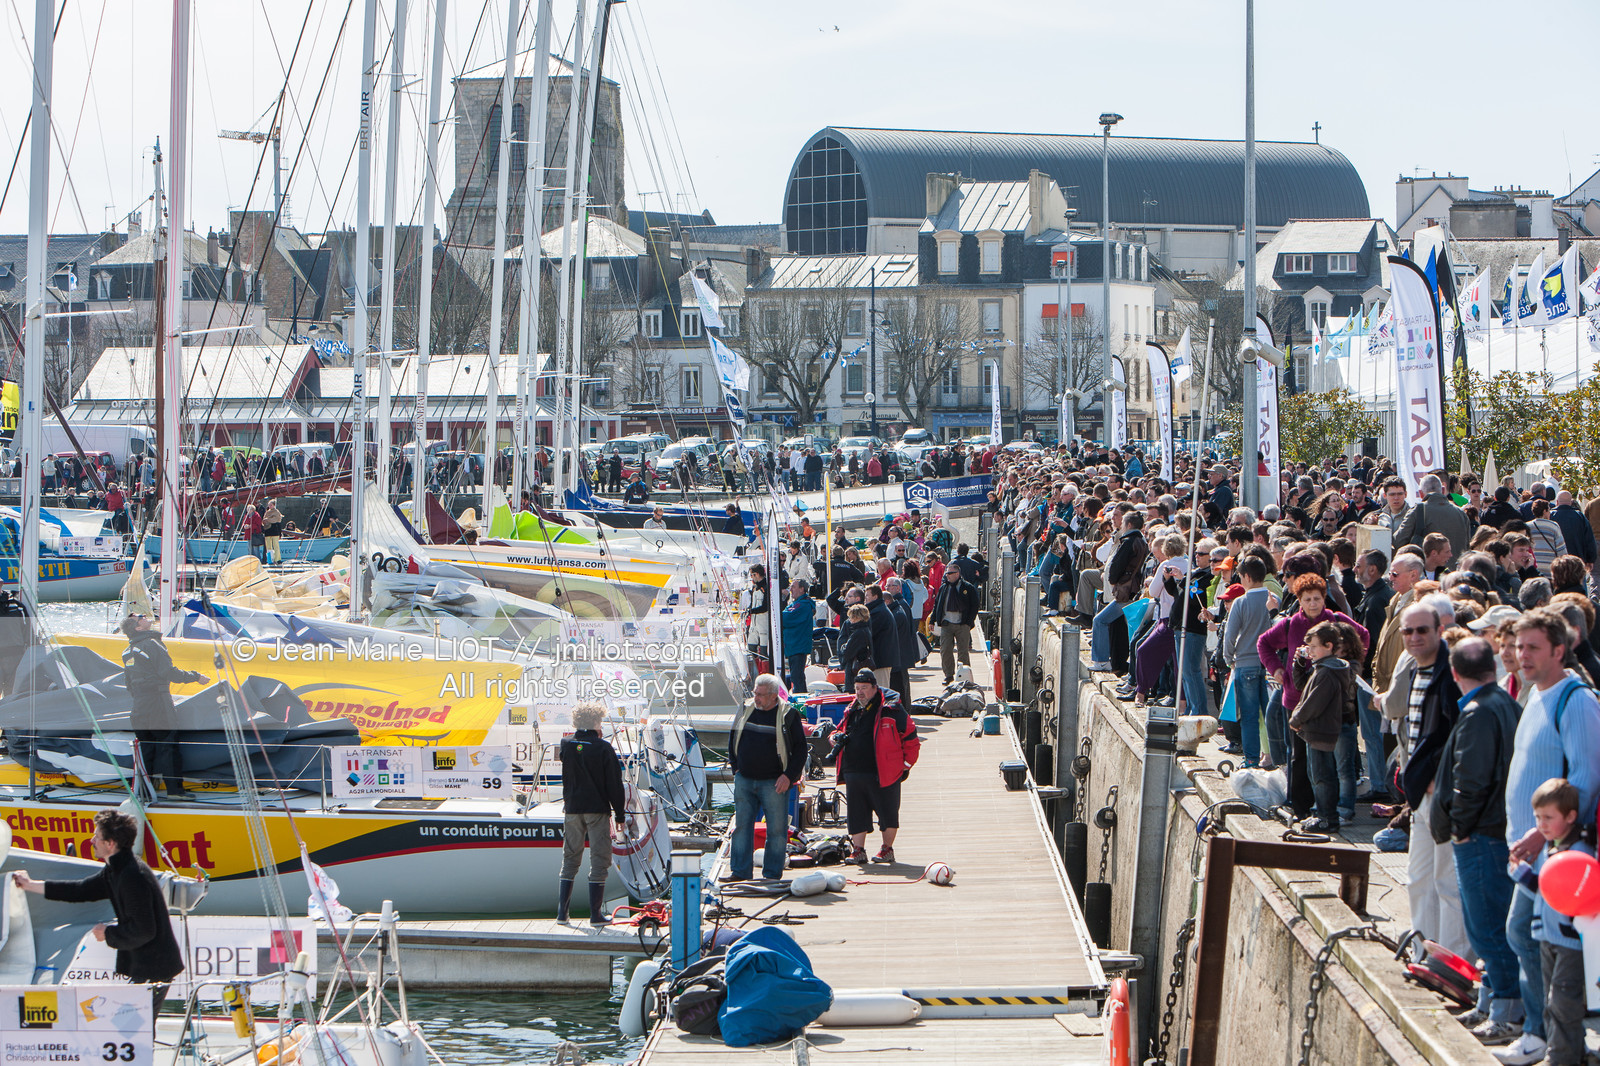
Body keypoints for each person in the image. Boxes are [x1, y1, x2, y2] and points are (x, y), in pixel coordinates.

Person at [1498, 610, 1600, 1066]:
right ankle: (1557, 1039)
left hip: (1560, 856)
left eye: (1533, 647)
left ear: (1560, 650)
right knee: (1527, 936)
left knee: (1529, 935)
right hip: (1532, 852)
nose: (1522, 656)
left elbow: (1586, 778)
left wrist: (1544, 838)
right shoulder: (1535, 695)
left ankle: (1547, 1036)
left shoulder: (1576, 700)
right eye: (1519, 648)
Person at [1430, 637, 1523, 1044]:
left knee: (1486, 926)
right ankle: (1489, 1001)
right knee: (1488, 923)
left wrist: (1459, 828)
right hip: (1490, 831)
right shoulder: (1504, 704)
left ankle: (1506, 1008)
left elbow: (1471, 778)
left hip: (1481, 835)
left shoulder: (1479, 712)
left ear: (1455, 673)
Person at [13, 810, 183, 1011]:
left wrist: (108, 933)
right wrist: (30, 885)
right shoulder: (117, 869)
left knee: (136, 1028)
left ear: (110, 844)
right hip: (146, 964)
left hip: (155, 967)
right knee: (133, 1026)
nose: (92, 840)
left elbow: (144, 930)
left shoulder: (132, 876)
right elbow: (80, 890)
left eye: (97, 836)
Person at [1380, 602, 1467, 958]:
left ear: (1439, 632)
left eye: (1422, 631)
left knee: (1446, 881)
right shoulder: (1416, 670)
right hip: (1420, 793)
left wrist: (1437, 780)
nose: (1414, 638)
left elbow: (1458, 735)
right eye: (1408, 631)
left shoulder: (1451, 675)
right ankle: (1423, 950)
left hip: (1442, 793)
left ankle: (1451, 959)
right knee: (1418, 877)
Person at [1517, 778, 1592, 1066]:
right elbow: (1548, 891)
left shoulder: (1580, 850)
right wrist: (1521, 874)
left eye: (1548, 818)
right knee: (1554, 1001)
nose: (1541, 824)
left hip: (1569, 940)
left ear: (1570, 816)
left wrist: (1524, 877)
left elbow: (1573, 895)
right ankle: (1573, 1053)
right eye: (1537, 817)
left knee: (1563, 1001)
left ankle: (1561, 1058)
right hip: (1549, 936)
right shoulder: (1553, 846)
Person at [832, 670, 920, 866]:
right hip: (854, 771)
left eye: (864, 688)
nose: (860, 693)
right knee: (855, 814)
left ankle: (887, 849)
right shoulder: (852, 708)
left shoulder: (893, 710)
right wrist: (834, 737)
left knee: (888, 813)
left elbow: (912, 739)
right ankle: (858, 851)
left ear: (875, 688)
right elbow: (839, 729)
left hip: (884, 772)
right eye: (856, 689)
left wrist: (905, 766)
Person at [727, 674, 807, 882]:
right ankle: (739, 872)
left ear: (773, 696)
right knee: (742, 827)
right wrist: (735, 768)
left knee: (777, 830)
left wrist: (788, 777)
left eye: (761, 695)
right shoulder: (745, 709)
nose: (756, 698)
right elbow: (733, 736)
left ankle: (771, 875)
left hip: (774, 782)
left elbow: (800, 750)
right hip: (744, 779)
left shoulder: (788, 715)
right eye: (755, 693)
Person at [121, 614, 207, 802]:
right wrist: (196, 677)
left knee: (146, 747)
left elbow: (128, 683)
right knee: (168, 745)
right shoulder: (151, 644)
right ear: (139, 628)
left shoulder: (127, 651)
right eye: (140, 618)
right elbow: (168, 672)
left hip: (139, 705)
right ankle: (175, 790)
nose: (144, 616)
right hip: (158, 702)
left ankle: (144, 790)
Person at [555, 702, 626, 926]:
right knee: (599, 860)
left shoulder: (566, 744)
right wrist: (620, 815)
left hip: (573, 810)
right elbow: (615, 786)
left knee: (570, 859)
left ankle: (562, 914)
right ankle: (595, 915)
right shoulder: (604, 748)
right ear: (596, 722)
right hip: (597, 810)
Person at [1287, 620, 1358, 832]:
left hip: (1320, 730)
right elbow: (1303, 686)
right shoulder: (1323, 668)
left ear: (1329, 646)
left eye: (1314, 647)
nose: (1311, 651)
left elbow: (1313, 702)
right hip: (1317, 730)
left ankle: (1328, 818)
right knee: (1318, 775)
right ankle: (1323, 815)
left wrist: (1295, 720)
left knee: (1322, 777)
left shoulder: (1327, 672)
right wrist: (1299, 662)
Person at [1222, 555, 1273, 768]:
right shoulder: (1273, 599)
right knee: (1270, 716)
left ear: (1248, 577)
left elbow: (1230, 635)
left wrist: (1228, 658)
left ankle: (1251, 759)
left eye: (1241, 576)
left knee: (1250, 717)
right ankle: (1273, 756)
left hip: (1245, 663)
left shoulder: (1241, 602)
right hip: (1269, 665)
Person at [933, 563, 980, 684]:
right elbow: (937, 603)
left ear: (957, 574)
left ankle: (964, 676)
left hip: (962, 624)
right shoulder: (944, 588)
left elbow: (974, 605)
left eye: (950, 573)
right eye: (946, 573)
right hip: (946, 624)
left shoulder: (967, 587)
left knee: (963, 651)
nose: (947, 576)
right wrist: (934, 619)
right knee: (945, 650)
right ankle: (948, 675)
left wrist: (969, 622)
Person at [780, 580, 815, 694]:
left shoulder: (803, 605)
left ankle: (800, 698)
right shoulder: (796, 604)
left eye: (793, 587)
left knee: (797, 677)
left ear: (802, 589)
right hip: (792, 645)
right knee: (796, 676)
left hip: (798, 645)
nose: (791, 589)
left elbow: (785, 618)